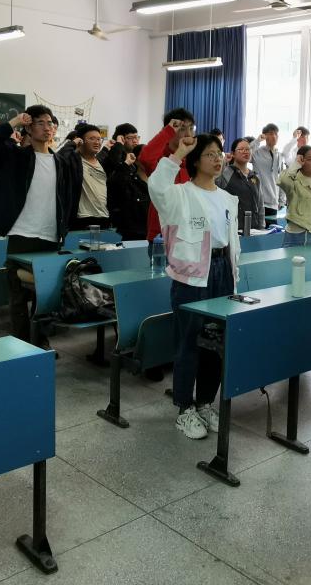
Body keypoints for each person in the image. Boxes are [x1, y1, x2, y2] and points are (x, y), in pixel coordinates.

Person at [147, 133, 239, 439]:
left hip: (222, 271)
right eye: (210, 154)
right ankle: (184, 408)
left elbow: (230, 242)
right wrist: (176, 156)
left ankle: (205, 403)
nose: (218, 159)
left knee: (215, 343)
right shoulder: (179, 195)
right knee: (188, 342)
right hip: (191, 276)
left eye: (219, 153)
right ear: (196, 160)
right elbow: (156, 187)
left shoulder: (227, 198)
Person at [0, 106, 84, 348]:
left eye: (50, 123)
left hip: (50, 235)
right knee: (18, 293)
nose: (47, 128)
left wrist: (63, 229)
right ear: (28, 128)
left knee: (45, 292)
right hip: (22, 233)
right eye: (40, 123)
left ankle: (41, 340)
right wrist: (15, 121)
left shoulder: (61, 162)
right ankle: (21, 343)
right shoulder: (17, 157)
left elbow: (69, 197)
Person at [139, 108, 195, 242]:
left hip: (189, 233)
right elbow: (145, 158)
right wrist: (167, 132)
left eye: (191, 128)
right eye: (182, 129)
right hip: (161, 235)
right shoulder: (161, 158)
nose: (188, 134)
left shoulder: (194, 160)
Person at [278, 145, 311, 246]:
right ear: (301, 161)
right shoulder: (294, 182)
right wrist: (296, 164)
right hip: (297, 236)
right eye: (310, 159)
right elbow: (283, 181)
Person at [63, 123, 111, 231]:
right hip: (82, 219)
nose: (97, 142)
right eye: (92, 139)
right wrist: (73, 144)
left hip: (104, 217)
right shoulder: (74, 161)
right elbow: (61, 157)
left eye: (99, 139)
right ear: (81, 141)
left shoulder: (102, 163)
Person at [216, 137, 265, 234]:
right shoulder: (227, 172)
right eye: (241, 149)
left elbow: (260, 205)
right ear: (233, 153)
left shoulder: (254, 176)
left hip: (254, 229)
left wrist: (262, 227)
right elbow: (215, 184)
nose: (245, 152)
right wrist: (223, 163)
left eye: (248, 149)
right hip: (233, 229)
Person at [108, 144, 149, 241]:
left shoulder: (158, 181)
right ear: (137, 160)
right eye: (146, 155)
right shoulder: (129, 181)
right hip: (134, 234)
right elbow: (114, 184)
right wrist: (126, 163)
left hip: (156, 233)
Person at [251, 124, 284, 218]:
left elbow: (281, 179)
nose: (274, 136)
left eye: (276, 134)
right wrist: (257, 141)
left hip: (273, 203)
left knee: (272, 227)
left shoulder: (280, 156)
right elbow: (245, 152)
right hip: (258, 201)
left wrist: (282, 200)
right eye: (271, 133)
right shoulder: (257, 152)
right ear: (265, 136)